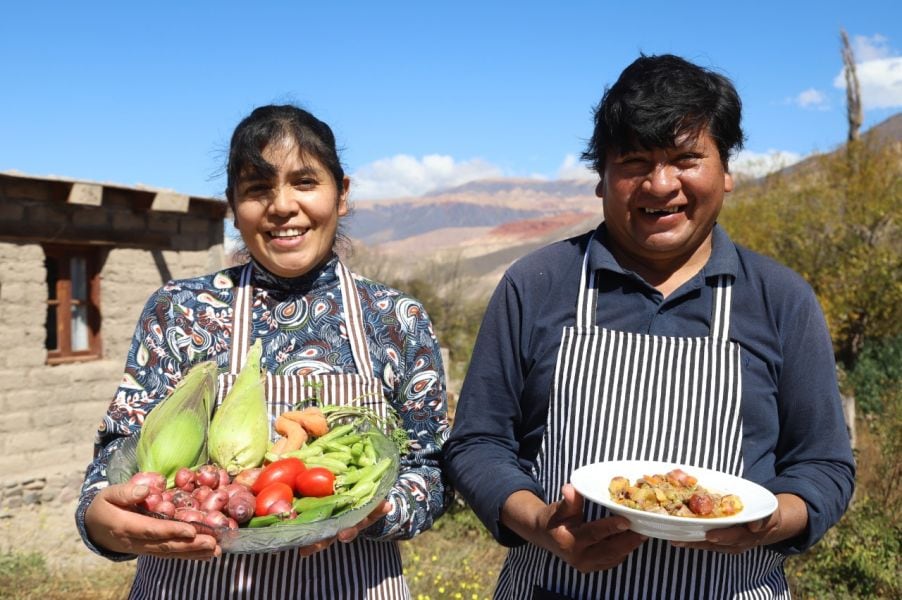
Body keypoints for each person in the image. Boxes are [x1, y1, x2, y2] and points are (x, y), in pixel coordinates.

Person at [443, 54, 855, 599]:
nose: (661, 185)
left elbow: (823, 464)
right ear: (602, 178)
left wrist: (771, 520)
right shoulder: (537, 282)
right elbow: (477, 443)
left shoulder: (780, 299)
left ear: (726, 170)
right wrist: (543, 526)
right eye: (635, 161)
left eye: (687, 158)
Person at [76, 104, 452, 599]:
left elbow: (433, 470)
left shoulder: (395, 319)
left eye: (304, 182)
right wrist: (102, 520)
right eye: (257, 189)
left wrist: (371, 509)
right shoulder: (181, 311)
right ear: (234, 207)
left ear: (341, 194)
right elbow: (117, 456)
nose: (281, 206)